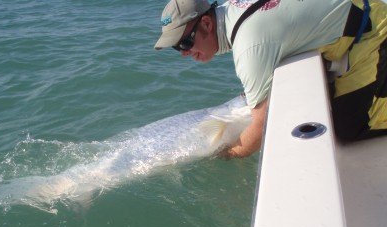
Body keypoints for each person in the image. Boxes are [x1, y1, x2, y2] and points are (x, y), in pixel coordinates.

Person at [154, 0, 387, 158]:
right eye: (177, 48)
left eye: (186, 42)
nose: (184, 53)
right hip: (358, 12)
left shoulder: (249, 46)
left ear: (206, 22)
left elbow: (260, 125)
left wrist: (231, 154)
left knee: (349, 129)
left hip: (373, 30)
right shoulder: (232, 10)